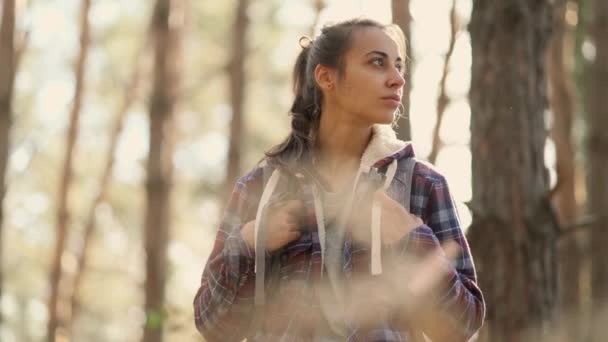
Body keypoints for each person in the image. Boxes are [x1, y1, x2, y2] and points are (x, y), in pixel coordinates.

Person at [193, 17, 485, 342]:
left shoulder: (422, 185)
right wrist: (248, 242)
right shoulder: (259, 189)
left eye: (399, 66)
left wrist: (413, 240)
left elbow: (461, 328)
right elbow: (213, 326)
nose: (398, 79)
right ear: (326, 77)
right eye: (377, 63)